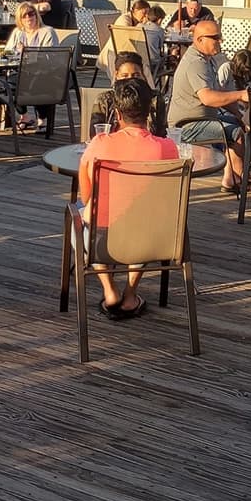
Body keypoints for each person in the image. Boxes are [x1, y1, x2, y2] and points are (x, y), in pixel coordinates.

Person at [78, 78, 178, 320]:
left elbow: (86, 194)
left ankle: (109, 289)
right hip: (151, 240)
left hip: (102, 240)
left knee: (86, 214)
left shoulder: (99, 144)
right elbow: (168, 200)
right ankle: (131, 293)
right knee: (146, 218)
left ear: (117, 114)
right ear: (149, 112)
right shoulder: (167, 148)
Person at [167, 20, 247, 194]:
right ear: (200, 39)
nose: (220, 41)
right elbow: (209, 98)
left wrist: (241, 116)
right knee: (237, 134)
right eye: (216, 38)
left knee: (239, 125)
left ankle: (233, 176)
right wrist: (241, 95)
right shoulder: (195, 62)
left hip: (204, 117)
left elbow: (219, 92)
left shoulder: (206, 59)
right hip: (187, 125)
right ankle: (235, 180)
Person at [5, 1, 60, 130]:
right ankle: (24, 115)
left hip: (45, 72)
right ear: (20, 19)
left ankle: (42, 118)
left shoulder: (47, 31)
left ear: (36, 15)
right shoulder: (18, 33)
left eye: (31, 14)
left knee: (38, 80)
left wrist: (27, 52)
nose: (28, 18)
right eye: (24, 15)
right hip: (21, 71)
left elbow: (50, 57)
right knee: (9, 82)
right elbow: (8, 53)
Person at [89, 51, 168, 138]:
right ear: (116, 75)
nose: (130, 81)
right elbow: (95, 135)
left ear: (142, 75)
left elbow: (162, 134)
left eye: (135, 76)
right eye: (125, 76)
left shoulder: (154, 99)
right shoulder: (105, 100)